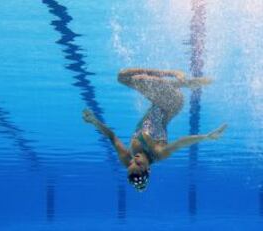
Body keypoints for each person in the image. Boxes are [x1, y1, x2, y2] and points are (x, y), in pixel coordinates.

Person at [82, 68, 227, 192]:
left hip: (157, 101)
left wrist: (94, 121)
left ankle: (177, 82)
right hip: (172, 103)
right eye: (138, 164)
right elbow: (180, 143)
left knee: (122, 76)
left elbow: (112, 136)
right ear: (148, 169)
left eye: (131, 164)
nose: (134, 160)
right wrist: (206, 137)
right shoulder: (158, 152)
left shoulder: (128, 160)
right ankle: (180, 79)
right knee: (140, 79)